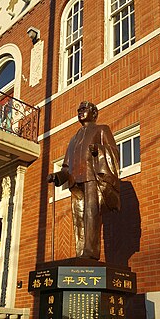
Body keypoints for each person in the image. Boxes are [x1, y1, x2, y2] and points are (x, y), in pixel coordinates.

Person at [47, 101, 120, 260]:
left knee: (91, 214)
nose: (80, 112)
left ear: (94, 113)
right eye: (78, 110)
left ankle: (90, 252)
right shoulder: (73, 139)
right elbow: (67, 167)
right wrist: (57, 176)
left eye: (84, 109)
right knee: (78, 217)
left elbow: (113, 151)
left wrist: (98, 150)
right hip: (75, 182)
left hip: (92, 177)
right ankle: (81, 251)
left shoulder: (101, 129)